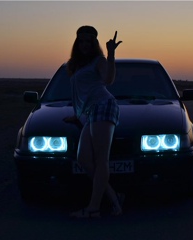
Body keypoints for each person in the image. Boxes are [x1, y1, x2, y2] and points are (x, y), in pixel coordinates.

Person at [64, 25, 123, 218]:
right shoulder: (74, 64)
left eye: (88, 41)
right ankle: (114, 196)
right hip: (90, 113)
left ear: (94, 43)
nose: (84, 45)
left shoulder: (99, 60)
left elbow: (108, 80)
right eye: (81, 41)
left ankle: (93, 208)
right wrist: (77, 114)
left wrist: (111, 54)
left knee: (100, 159)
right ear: (76, 42)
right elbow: (77, 94)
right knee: (83, 158)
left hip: (104, 105)